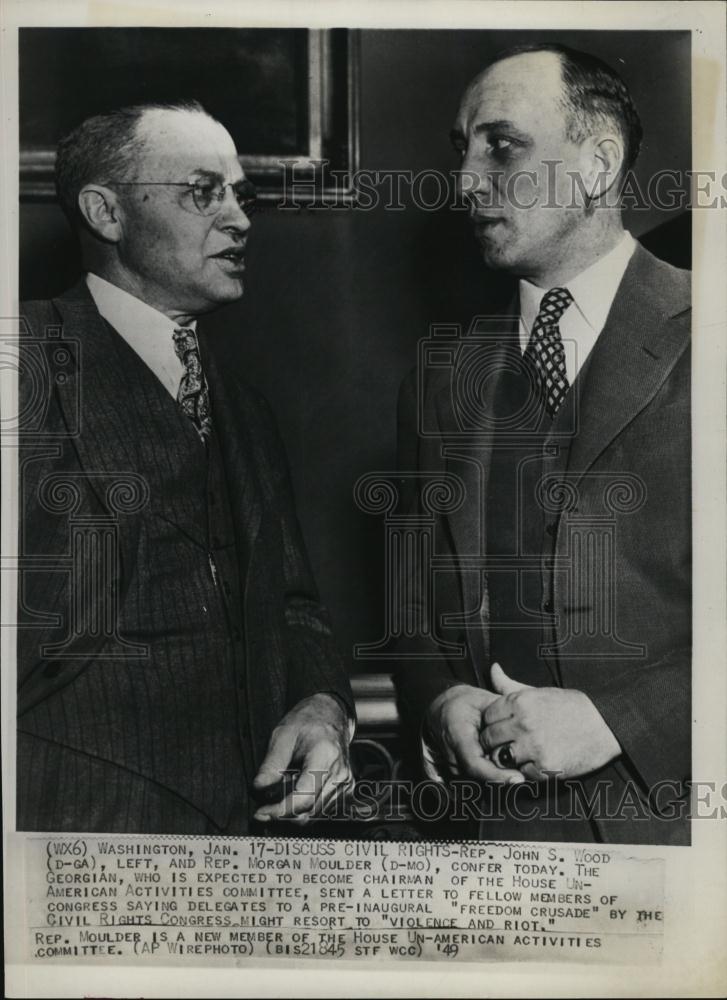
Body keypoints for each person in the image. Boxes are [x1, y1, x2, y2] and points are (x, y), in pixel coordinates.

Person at [17, 100, 354, 834]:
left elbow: (295, 607)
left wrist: (323, 704)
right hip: (68, 830)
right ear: (106, 212)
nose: (240, 219)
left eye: (241, 195)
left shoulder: (246, 410)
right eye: (204, 192)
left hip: (258, 829)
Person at [394, 44, 690, 845]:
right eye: (463, 151)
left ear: (597, 164)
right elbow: (411, 611)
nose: (463, 182)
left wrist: (618, 721)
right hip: (494, 844)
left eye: (502, 145)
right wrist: (439, 702)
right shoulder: (441, 374)